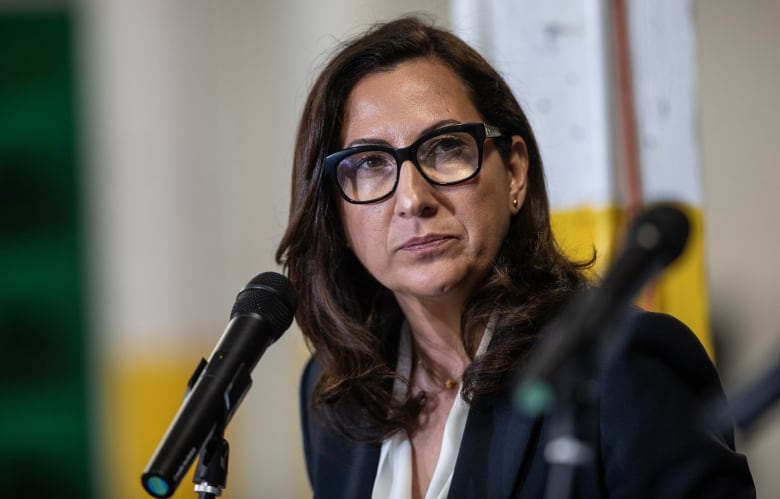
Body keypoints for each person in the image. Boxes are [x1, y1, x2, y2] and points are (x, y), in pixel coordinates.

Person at [275, 14, 755, 499]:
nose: (412, 198)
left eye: (445, 149)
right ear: (334, 210)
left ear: (515, 173)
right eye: (371, 164)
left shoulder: (623, 365)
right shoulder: (334, 395)